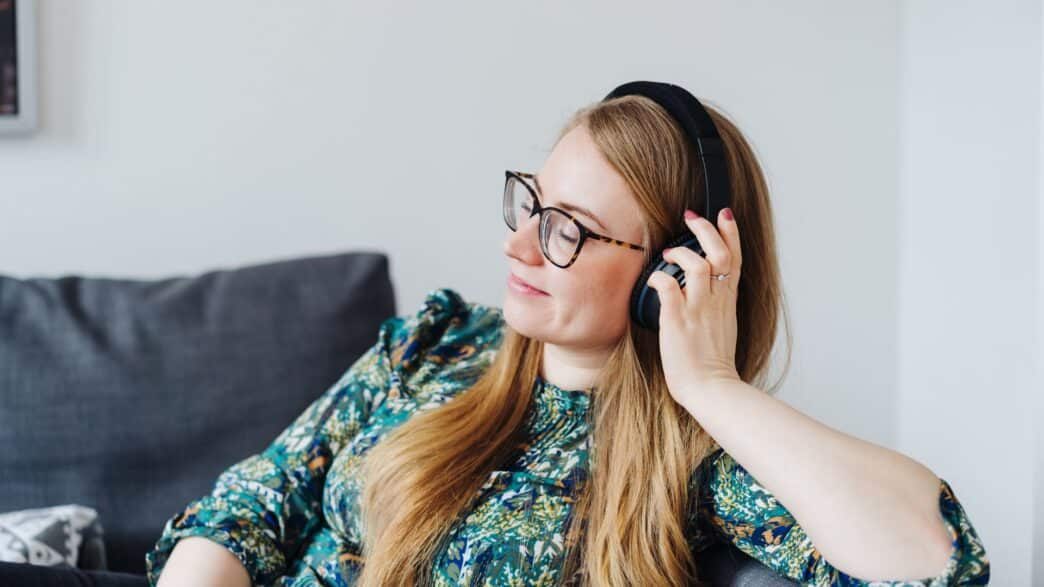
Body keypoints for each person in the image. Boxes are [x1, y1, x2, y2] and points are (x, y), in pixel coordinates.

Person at [144, 81, 990, 586]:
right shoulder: (436, 344)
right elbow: (257, 497)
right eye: (533, 202)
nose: (519, 244)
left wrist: (712, 385)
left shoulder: (694, 457)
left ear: (674, 269)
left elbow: (931, 560)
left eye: (570, 229)